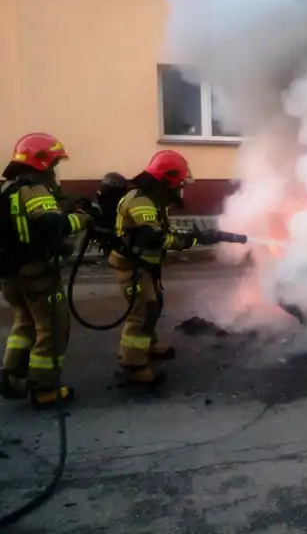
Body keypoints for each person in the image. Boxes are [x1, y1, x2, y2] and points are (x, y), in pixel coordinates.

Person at [109, 150, 218, 387]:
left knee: (154, 304)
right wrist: (189, 241)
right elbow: (155, 238)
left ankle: (147, 346)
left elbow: (162, 228)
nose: (181, 186)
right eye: (179, 180)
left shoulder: (152, 199)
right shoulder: (141, 202)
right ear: (166, 178)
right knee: (142, 312)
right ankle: (133, 366)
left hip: (145, 265)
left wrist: (195, 234)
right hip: (133, 266)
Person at [0, 132, 93, 407]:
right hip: (37, 274)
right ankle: (43, 388)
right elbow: (53, 225)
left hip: (11, 276)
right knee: (52, 328)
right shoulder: (35, 190)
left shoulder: (7, 189)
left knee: (26, 322)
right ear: (42, 164)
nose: (54, 171)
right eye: (53, 165)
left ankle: (12, 375)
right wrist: (82, 219)